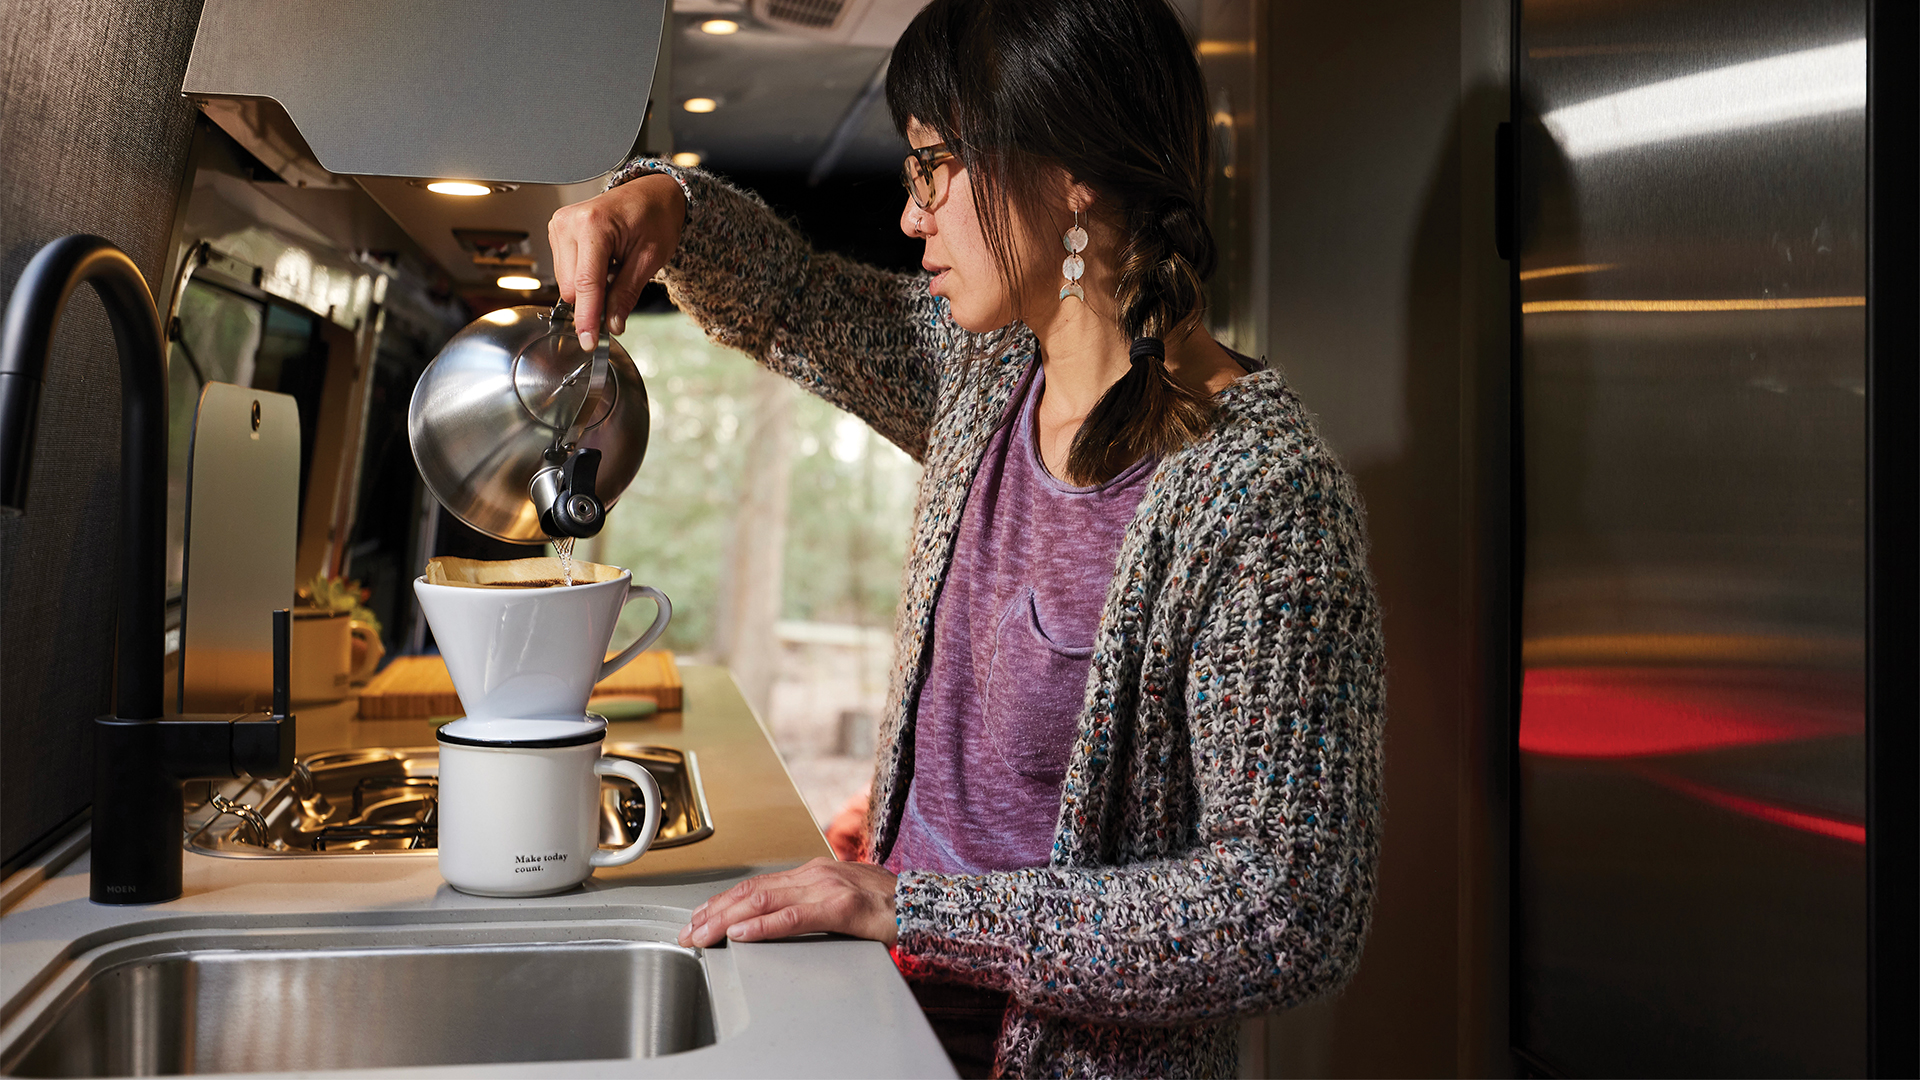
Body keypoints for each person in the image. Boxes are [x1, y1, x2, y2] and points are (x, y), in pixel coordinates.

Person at [548, 0, 1385, 1074]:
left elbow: (1288, 912)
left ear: (1072, 169)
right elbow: (796, 300)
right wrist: (662, 204)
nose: (912, 217)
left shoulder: (1260, 494)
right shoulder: (986, 377)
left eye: (934, 168)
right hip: (887, 1027)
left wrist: (917, 909)